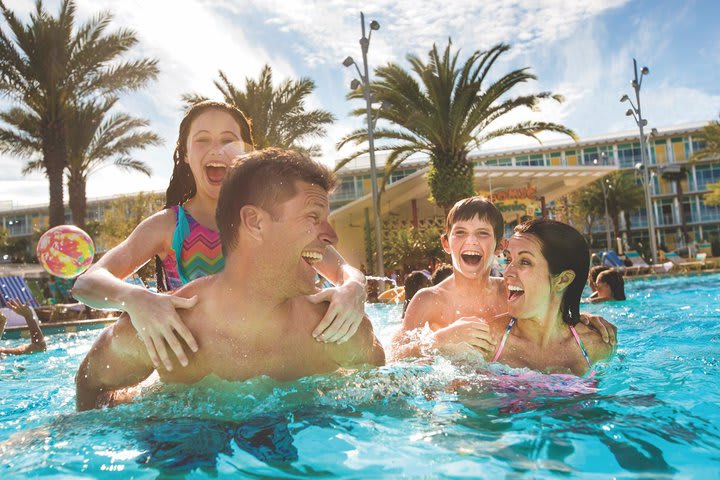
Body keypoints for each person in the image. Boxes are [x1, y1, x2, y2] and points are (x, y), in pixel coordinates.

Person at [76, 149, 385, 411]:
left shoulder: (338, 329)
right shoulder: (164, 331)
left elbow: (383, 391)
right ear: (255, 222)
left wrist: (355, 286)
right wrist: (150, 417)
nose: (332, 235)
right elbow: (91, 386)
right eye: (313, 217)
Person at [73, 101, 367, 373]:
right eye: (202, 140)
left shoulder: (278, 223)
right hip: (199, 378)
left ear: (247, 154)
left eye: (228, 140)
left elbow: (342, 270)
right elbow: (87, 282)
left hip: (276, 360)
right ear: (186, 154)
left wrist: (353, 288)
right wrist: (135, 299)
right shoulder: (169, 227)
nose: (217, 150)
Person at [392, 196, 616, 361]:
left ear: (500, 246)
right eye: (460, 232)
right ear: (446, 244)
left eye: (482, 233)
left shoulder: (508, 292)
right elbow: (394, 358)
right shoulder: (429, 299)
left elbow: (544, 312)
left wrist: (579, 317)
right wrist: (439, 341)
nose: (470, 241)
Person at [487, 219, 614, 375]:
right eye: (508, 259)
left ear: (563, 280)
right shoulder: (487, 342)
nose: (506, 272)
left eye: (525, 261)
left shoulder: (595, 346)